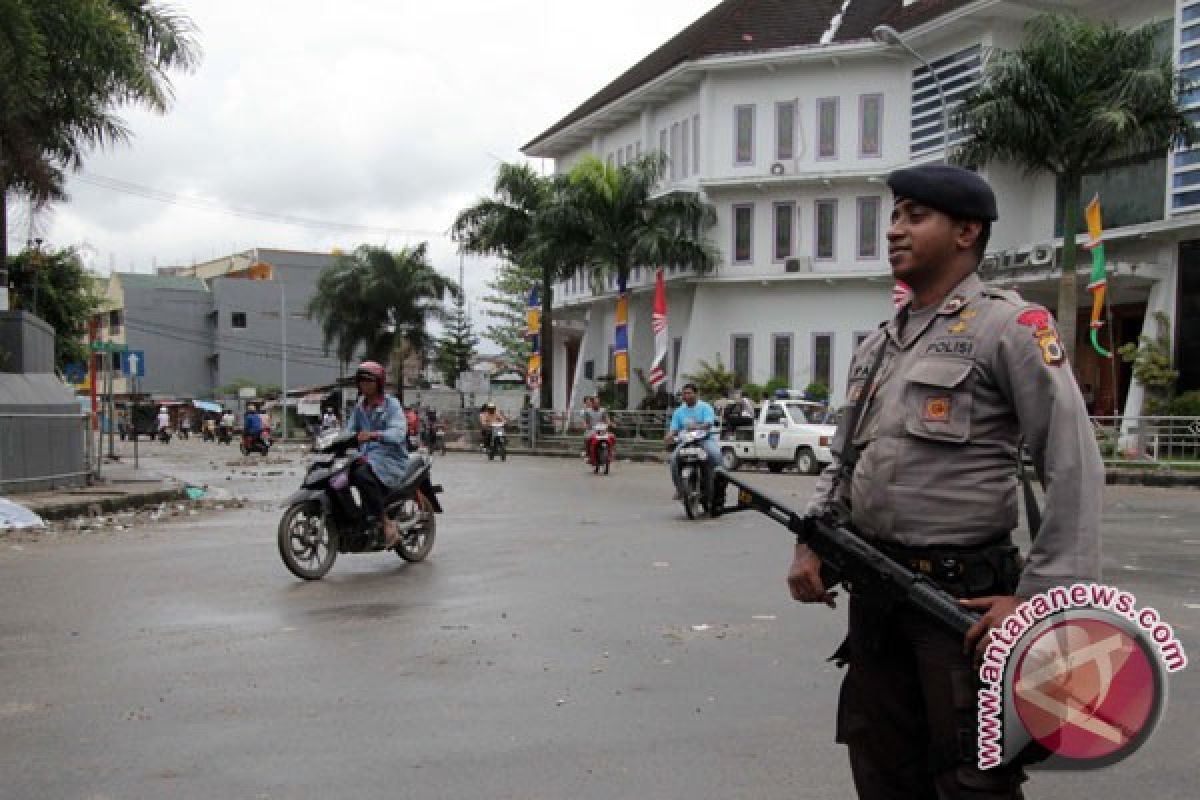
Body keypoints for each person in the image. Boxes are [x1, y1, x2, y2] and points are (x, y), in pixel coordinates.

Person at [788, 165, 1103, 800]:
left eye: (914, 216)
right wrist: (812, 540)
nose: (895, 230)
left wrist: (1038, 605)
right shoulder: (879, 345)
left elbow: (1074, 466)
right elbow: (844, 459)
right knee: (881, 769)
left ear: (966, 232)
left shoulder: (1011, 327)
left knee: (971, 781)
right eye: (896, 216)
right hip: (876, 597)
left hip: (960, 609)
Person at [345, 360, 409, 547]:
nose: (364, 384)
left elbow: (398, 433)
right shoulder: (360, 407)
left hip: (390, 459)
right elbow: (348, 431)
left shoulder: (391, 405)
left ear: (379, 383)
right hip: (365, 457)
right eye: (361, 380)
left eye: (369, 380)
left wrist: (374, 435)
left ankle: (386, 523)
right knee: (338, 474)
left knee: (361, 473)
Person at [664, 382, 721, 499]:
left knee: (715, 455)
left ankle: (718, 482)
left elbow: (709, 423)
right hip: (685, 441)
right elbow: (674, 429)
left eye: (689, 393)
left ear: (696, 394)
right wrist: (669, 435)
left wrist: (698, 427)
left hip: (704, 440)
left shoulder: (705, 407)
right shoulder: (678, 411)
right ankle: (680, 489)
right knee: (674, 460)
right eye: (684, 394)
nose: (686, 396)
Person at [580, 395, 612, 464]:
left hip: (602, 430)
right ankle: (588, 455)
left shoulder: (603, 410)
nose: (597, 404)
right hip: (591, 430)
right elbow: (584, 420)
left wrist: (609, 423)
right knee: (587, 438)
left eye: (598, 403)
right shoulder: (587, 411)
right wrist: (585, 424)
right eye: (595, 403)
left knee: (611, 437)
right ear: (592, 403)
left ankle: (610, 453)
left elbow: (607, 419)